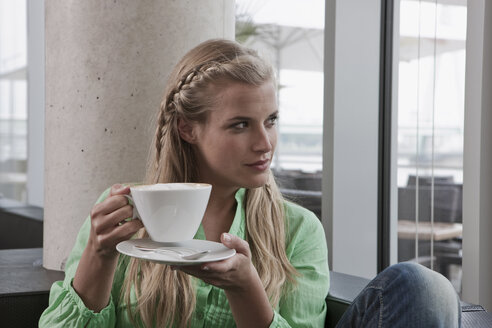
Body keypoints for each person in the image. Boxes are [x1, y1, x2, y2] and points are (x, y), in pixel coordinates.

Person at [39, 39, 461, 328]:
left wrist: (247, 292)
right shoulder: (122, 216)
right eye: (240, 125)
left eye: (271, 120)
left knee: (422, 286)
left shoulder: (296, 231)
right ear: (188, 129)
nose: (265, 143)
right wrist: (99, 255)